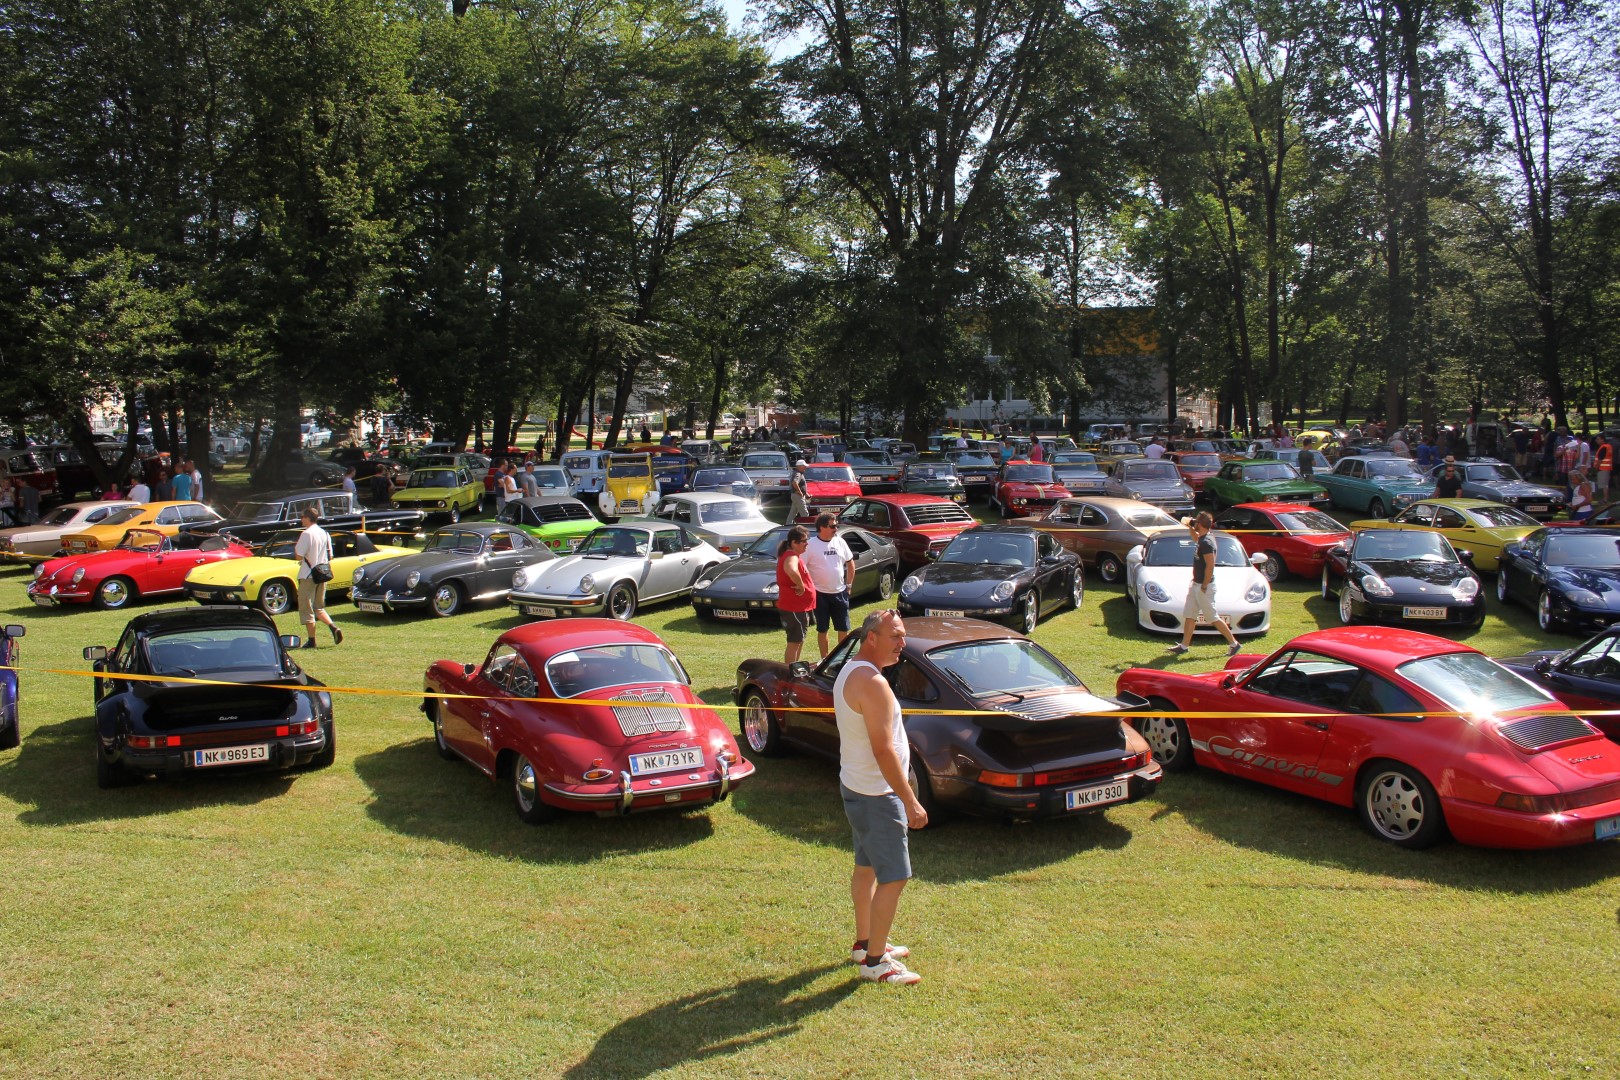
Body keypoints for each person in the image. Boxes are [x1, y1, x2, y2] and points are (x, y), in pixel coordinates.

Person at [837, 609, 924, 985]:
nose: (903, 644)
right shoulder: (874, 684)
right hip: (877, 794)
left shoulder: (850, 671)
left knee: (866, 868)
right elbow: (883, 750)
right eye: (895, 637)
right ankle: (875, 962)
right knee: (895, 876)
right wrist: (910, 800)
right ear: (871, 637)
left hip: (857, 787)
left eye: (903, 636)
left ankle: (866, 943)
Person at [1167, 512, 1241, 658]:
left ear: (1200, 524)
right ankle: (1184, 646)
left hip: (1203, 586)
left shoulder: (1207, 542)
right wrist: (1189, 527)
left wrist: (1204, 585)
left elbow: (1210, 566)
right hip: (1196, 584)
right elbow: (1196, 538)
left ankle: (1234, 644)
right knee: (1190, 614)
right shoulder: (1203, 538)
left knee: (1212, 617)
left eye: (1196, 522)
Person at [806, 513, 856, 659]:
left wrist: (849, 585)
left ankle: (842, 659)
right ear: (822, 527)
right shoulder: (810, 545)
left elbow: (850, 563)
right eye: (833, 526)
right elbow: (801, 567)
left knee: (843, 628)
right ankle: (825, 659)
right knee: (822, 629)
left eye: (836, 526)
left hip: (840, 592)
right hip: (819, 594)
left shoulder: (840, 542)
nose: (836, 528)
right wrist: (809, 589)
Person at [294, 507, 343, 649]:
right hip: (322, 574)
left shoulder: (306, 534)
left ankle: (311, 640)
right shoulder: (324, 533)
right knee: (319, 607)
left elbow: (299, 555)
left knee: (306, 607)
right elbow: (330, 556)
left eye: (302, 516)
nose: (301, 519)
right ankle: (333, 627)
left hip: (308, 575)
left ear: (308, 518)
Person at [775, 525, 816, 663]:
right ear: (794, 543)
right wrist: (801, 586)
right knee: (794, 642)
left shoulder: (794, 556)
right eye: (804, 541)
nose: (807, 543)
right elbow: (791, 570)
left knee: (799, 640)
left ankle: (794, 669)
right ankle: (789, 673)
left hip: (800, 607)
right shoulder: (791, 556)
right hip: (793, 607)